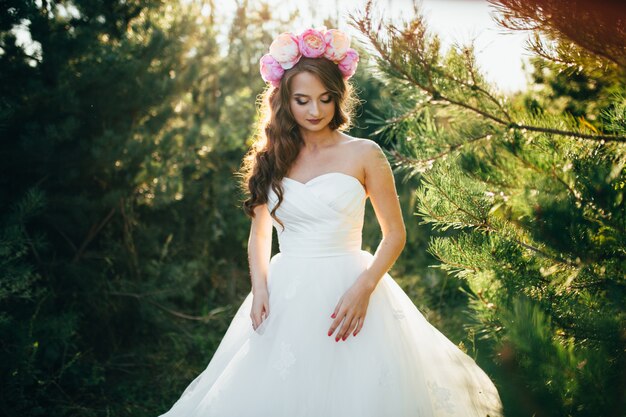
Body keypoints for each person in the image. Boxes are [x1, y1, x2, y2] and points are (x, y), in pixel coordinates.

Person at [158, 27, 503, 417]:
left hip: (349, 286)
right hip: (286, 291)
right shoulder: (270, 158)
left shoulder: (365, 154)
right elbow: (259, 236)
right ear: (285, 100)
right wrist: (260, 289)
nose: (315, 110)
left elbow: (395, 234)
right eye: (302, 100)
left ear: (338, 97)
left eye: (325, 99)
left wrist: (364, 287)